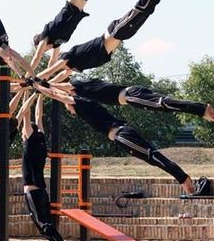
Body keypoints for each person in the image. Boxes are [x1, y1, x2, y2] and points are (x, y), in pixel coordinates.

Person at [30, 82, 195, 193]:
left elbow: (57, 94)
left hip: (121, 134)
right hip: (120, 136)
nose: (68, 111)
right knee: (150, 156)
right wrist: (41, 85)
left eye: (68, 107)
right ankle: (182, 177)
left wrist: (36, 85)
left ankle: (182, 177)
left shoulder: (82, 102)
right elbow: (58, 92)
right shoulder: (84, 104)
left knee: (151, 155)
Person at [37, 0, 189, 80]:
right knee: (144, 13)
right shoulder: (73, 67)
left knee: (141, 10)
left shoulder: (68, 57)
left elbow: (52, 67)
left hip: (114, 33)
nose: (64, 73)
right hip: (120, 36)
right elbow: (55, 79)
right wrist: (39, 87)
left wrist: (34, 78)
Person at [16, 93, 76, 241]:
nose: (21, 135)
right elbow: (37, 116)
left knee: (45, 227)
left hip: (33, 192)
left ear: (27, 132)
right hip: (42, 191)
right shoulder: (41, 136)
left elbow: (26, 114)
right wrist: (38, 92)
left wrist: (26, 91)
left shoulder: (30, 139)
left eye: (23, 133)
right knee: (48, 226)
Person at [49, 78, 214, 123]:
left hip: (131, 95)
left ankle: (202, 109)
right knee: (165, 105)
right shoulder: (81, 90)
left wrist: (36, 83)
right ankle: (201, 109)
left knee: (164, 103)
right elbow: (64, 96)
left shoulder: (77, 84)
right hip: (132, 96)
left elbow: (57, 88)